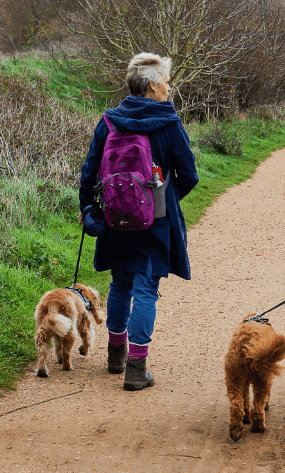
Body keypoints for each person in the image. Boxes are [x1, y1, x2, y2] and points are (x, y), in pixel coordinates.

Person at [79, 53, 198, 391]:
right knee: (147, 287)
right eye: (166, 82)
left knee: (121, 282)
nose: (169, 88)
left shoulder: (109, 121)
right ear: (151, 86)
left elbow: (89, 172)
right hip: (156, 219)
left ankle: (115, 355)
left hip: (115, 217)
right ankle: (136, 367)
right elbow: (188, 175)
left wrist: (89, 208)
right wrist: (162, 200)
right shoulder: (170, 123)